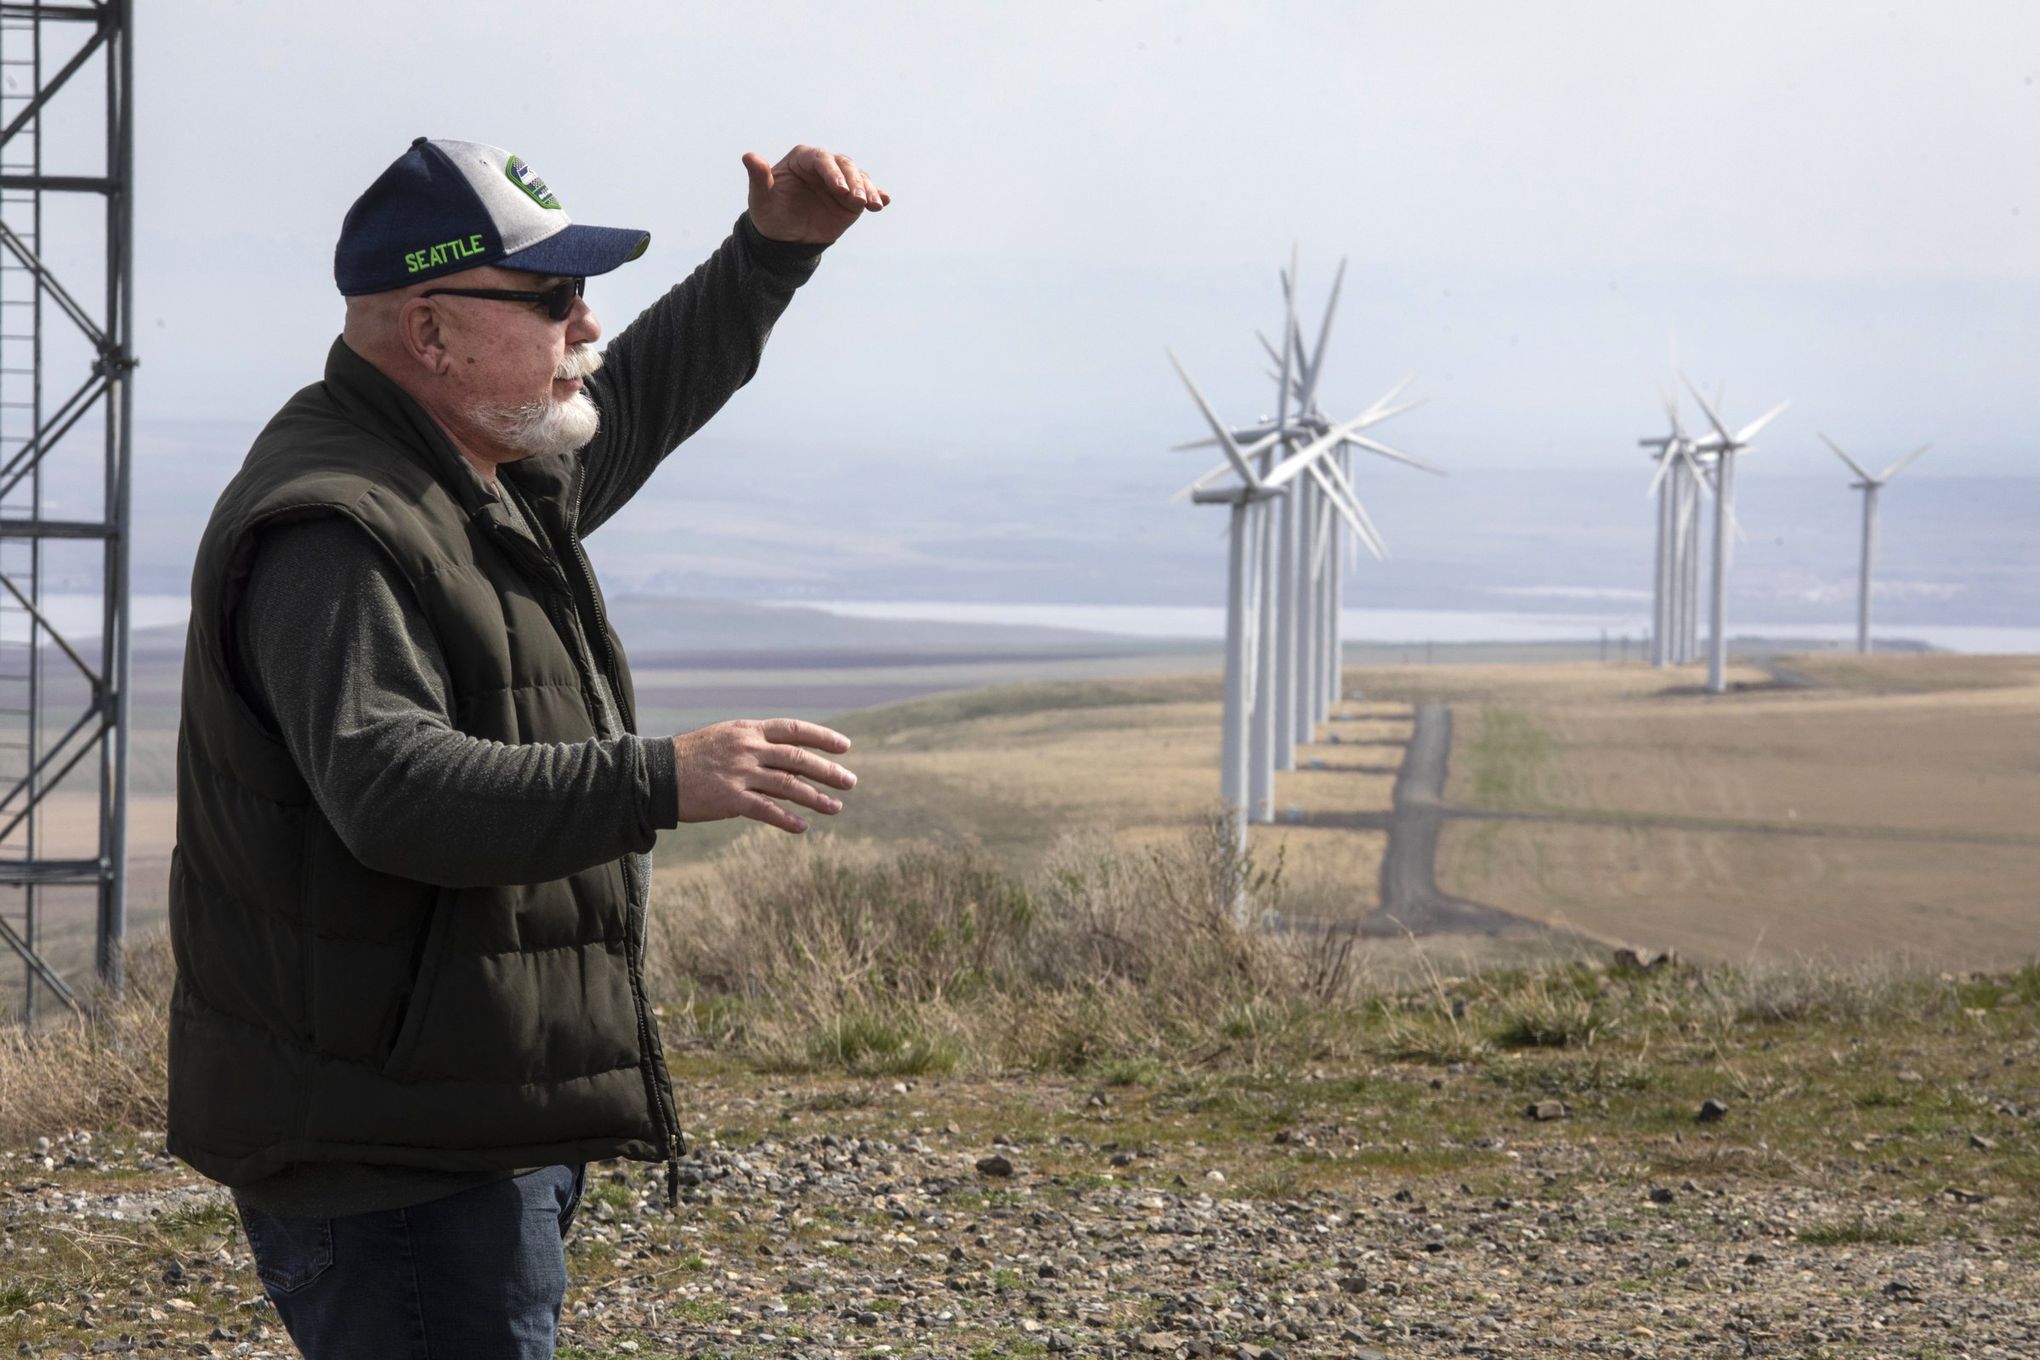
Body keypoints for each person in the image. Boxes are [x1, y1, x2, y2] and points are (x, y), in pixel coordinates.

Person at [165, 136, 887, 1358]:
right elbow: (390, 789)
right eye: (551, 299)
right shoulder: (338, 526)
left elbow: (642, 392)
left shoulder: (472, 472)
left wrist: (772, 255)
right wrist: (662, 777)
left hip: (454, 1111)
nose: (584, 322)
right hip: (389, 1151)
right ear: (431, 331)